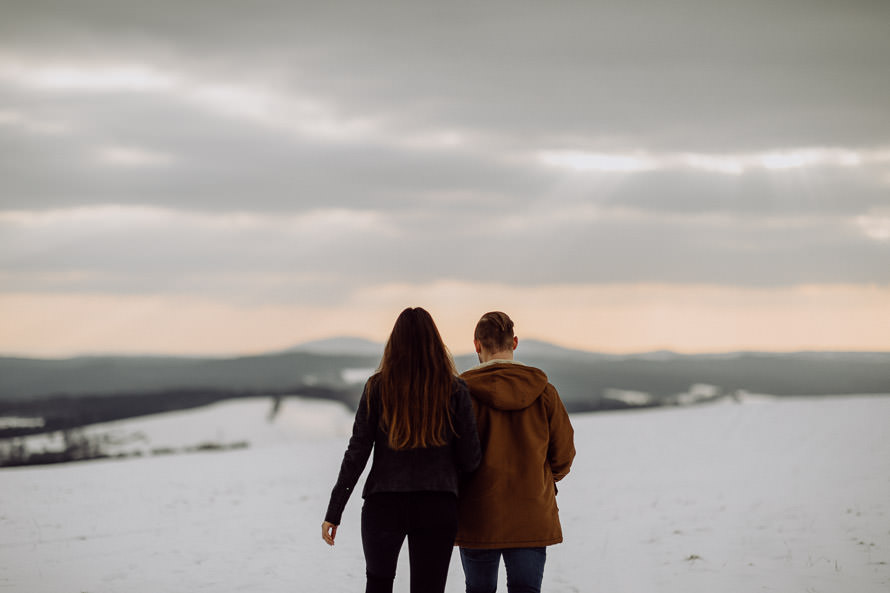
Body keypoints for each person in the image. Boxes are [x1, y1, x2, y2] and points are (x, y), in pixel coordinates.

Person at [322, 307, 481, 593]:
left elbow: (356, 452)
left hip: (383, 504)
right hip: (437, 504)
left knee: (379, 585)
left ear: (394, 344)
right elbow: (471, 459)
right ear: (435, 343)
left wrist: (334, 512)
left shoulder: (377, 387)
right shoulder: (456, 390)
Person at [456, 311, 576, 593]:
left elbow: (451, 454)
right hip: (531, 510)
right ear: (515, 342)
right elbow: (564, 454)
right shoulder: (545, 392)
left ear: (476, 345)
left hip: (477, 512)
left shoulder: (461, 393)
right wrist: (541, 479)